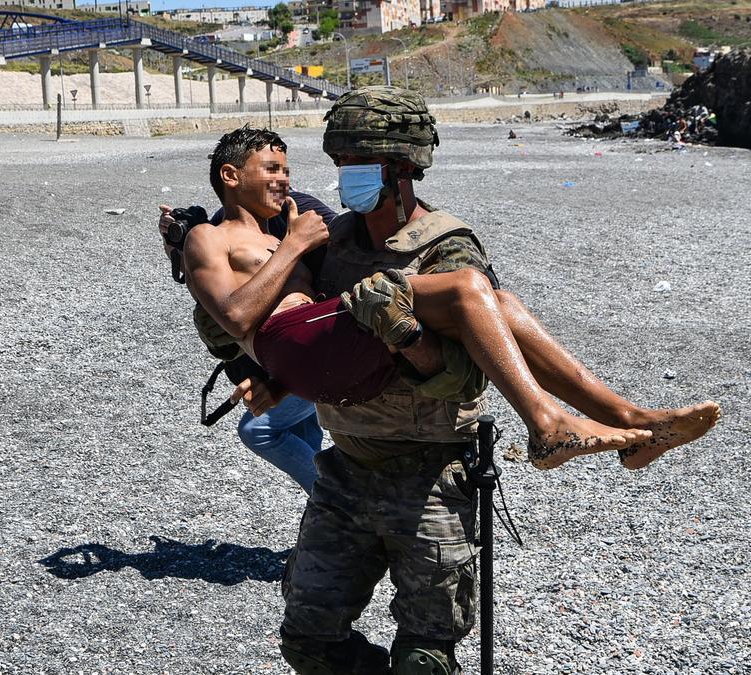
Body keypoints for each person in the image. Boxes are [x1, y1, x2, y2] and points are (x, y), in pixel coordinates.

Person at [180, 88, 718, 673]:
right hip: (349, 466)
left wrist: (405, 336)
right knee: (310, 642)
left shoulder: (444, 245)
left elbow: (466, 376)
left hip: (429, 473)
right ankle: (608, 422)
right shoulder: (333, 242)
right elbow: (270, 317)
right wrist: (269, 374)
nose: (345, 178)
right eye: (341, 165)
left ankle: (606, 422)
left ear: (403, 168)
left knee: (424, 659)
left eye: (361, 166)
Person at [184, 124, 716, 470]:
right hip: (292, 344)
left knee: (497, 303)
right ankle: (546, 423)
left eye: (286, 169)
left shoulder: (282, 231)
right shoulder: (209, 237)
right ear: (231, 177)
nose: (284, 179)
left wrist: (293, 244)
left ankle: (631, 421)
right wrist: (295, 246)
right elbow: (234, 316)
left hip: (315, 346)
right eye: (271, 170)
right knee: (465, 288)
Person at [158, 194, 338, 495]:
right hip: (274, 363)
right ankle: (325, 527)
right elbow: (210, 291)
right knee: (305, 437)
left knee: (258, 430)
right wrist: (175, 245)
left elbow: (347, 259)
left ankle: (334, 498)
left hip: (319, 353)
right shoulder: (221, 226)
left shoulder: (304, 211)